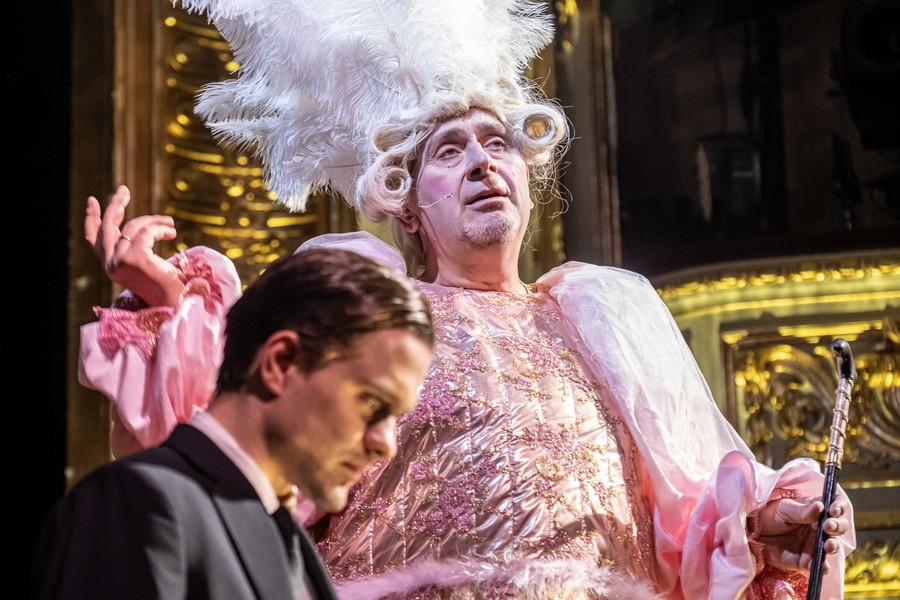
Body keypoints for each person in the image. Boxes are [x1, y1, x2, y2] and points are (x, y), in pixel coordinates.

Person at [76, 0, 856, 598]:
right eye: (451, 151)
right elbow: (237, 443)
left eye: (499, 144)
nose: (484, 162)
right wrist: (170, 303)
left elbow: (689, 521)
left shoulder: (606, 318)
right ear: (409, 203)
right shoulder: (368, 308)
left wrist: (768, 527)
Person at [33, 246, 435, 599]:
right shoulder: (141, 504)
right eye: (372, 402)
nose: (386, 443)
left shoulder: (290, 538)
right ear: (280, 363)